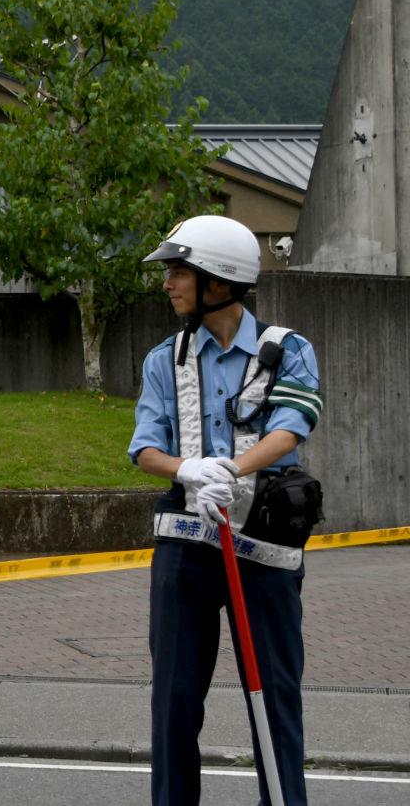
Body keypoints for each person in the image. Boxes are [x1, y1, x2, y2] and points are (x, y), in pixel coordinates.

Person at [129, 215, 323, 806]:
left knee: (275, 697)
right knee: (174, 702)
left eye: (179, 271)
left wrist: (232, 471)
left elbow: (292, 427)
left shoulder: (287, 350)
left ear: (219, 280)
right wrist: (187, 469)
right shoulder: (165, 359)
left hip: (262, 551)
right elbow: (145, 447)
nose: (168, 283)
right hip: (185, 551)